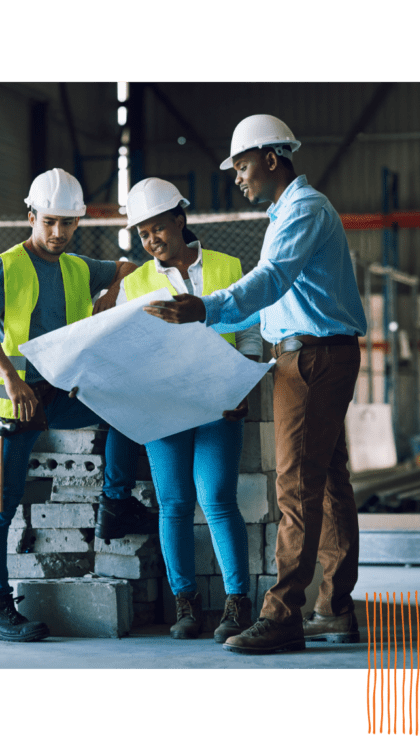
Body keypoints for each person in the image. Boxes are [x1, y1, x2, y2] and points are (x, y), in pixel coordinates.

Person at [144, 115, 367, 654]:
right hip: (312, 357)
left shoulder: (304, 211)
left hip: (311, 361)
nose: (237, 178)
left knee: (295, 488)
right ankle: (333, 609)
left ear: (272, 158)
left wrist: (205, 307)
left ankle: (283, 615)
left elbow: (269, 282)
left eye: (242, 166)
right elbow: (271, 298)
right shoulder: (287, 213)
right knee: (329, 483)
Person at [0, 168, 155, 642]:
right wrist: (10, 379)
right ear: (31, 216)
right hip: (5, 404)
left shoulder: (78, 267)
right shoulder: (3, 267)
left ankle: (115, 502)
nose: (58, 233)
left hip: (54, 394)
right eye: (49, 222)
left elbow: (129, 268)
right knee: (0, 507)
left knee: (126, 407)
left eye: (68, 224)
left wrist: (109, 294)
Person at [119, 177, 263, 642]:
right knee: (175, 504)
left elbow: (249, 332)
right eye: (142, 234)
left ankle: (237, 603)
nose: (150, 240)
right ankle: (186, 605)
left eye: (156, 228)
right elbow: (126, 346)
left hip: (218, 402)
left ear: (180, 220)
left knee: (217, 498)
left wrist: (244, 380)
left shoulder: (228, 266)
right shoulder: (137, 282)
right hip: (163, 407)